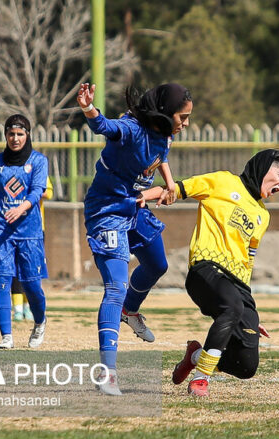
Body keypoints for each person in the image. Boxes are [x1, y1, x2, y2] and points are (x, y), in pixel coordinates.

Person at [141, 149, 279, 398]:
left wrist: (249, 310)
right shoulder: (223, 181)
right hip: (206, 269)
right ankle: (201, 379)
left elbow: (247, 260)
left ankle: (195, 356)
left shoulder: (263, 215)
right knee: (230, 308)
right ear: (263, 167)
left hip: (238, 286)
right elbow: (176, 189)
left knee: (246, 366)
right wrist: (139, 197)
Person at [77, 82, 192, 395]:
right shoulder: (130, 128)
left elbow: (161, 155)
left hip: (136, 206)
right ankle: (107, 373)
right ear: (166, 113)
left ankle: (130, 311)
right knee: (116, 287)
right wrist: (88, 107)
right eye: (183, 117)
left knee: (157, 264)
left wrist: (168, 184)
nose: (186, 123)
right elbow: (103, 126)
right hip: (108, 210)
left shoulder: (165, 134)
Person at [0, 114, 48, 349]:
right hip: (0, 230)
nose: (15, 138)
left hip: (29, 232)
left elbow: (38, 191)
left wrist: (21, 208)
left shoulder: (38, 161)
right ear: (5, 135)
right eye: (11, 134)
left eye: (20, 134)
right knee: (2, 283)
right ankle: (6, 336)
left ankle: (39, 322)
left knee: (31, 284)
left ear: (27, 135)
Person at [12, 176, 53, 321]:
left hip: (35, 228)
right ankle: (17, 309)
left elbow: (48, 192)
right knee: (16, 270)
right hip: (14, 226)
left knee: (32, 269)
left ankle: (29, 307)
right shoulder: (10, 169)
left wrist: (29, 193)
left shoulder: (37, 168)